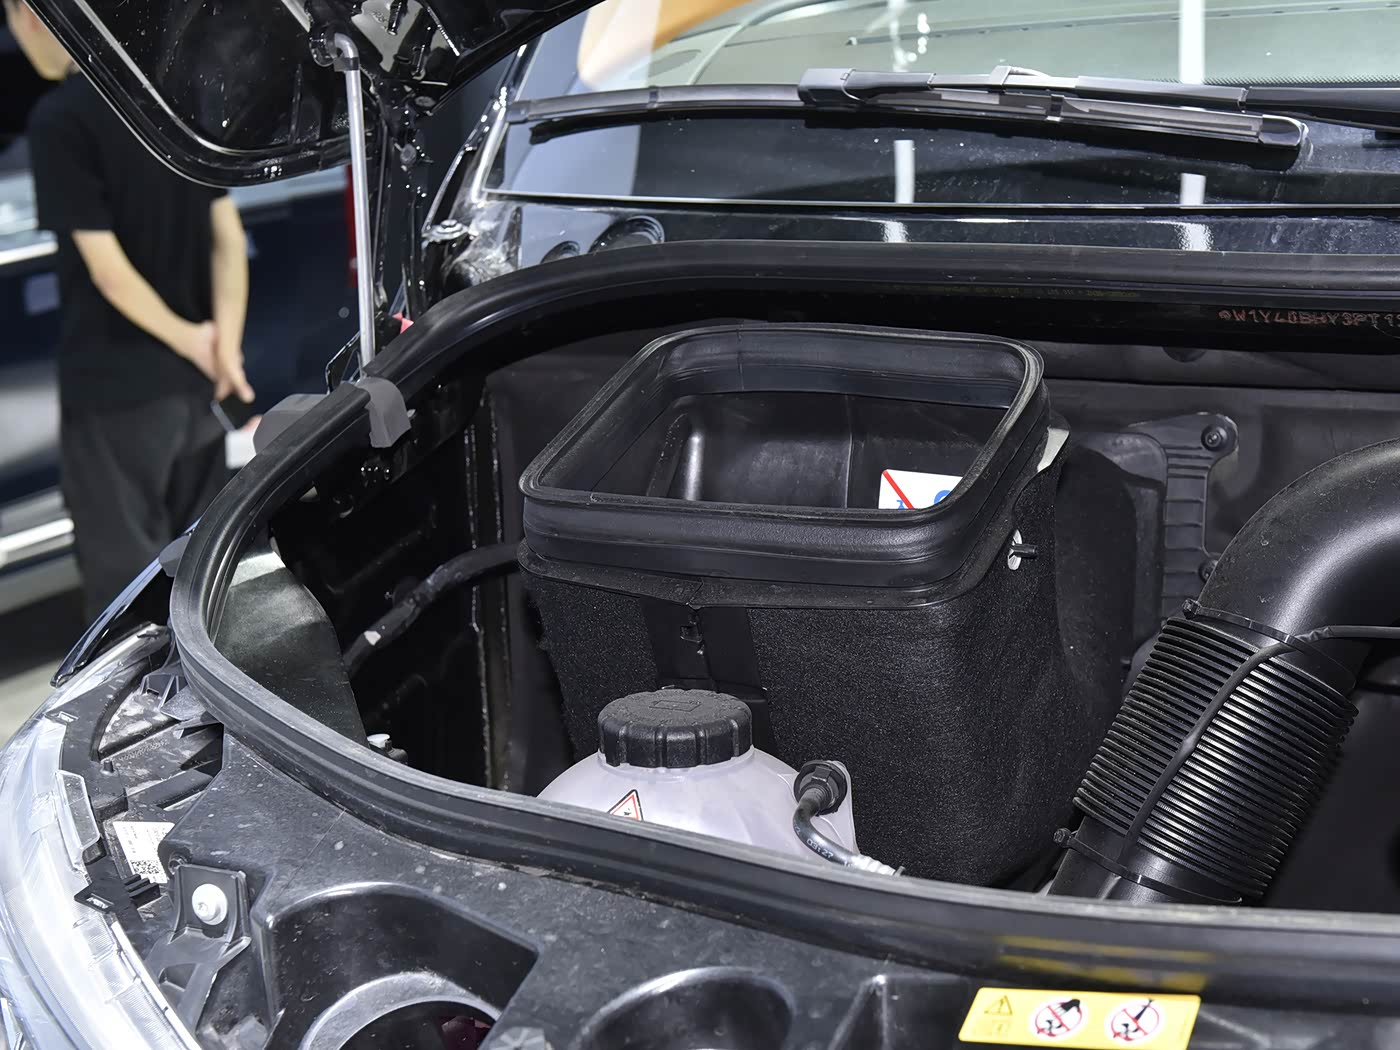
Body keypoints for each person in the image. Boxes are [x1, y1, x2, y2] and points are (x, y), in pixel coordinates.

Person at [5, 0, 254, 618]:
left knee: (126, 595)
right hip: (196, 391)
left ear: (32, 14)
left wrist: (197, 342)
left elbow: (109, 274)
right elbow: (228, 237)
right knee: (201, 575)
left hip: (116, 395)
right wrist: (223, 347)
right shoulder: (172, 108)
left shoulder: (60, 119)